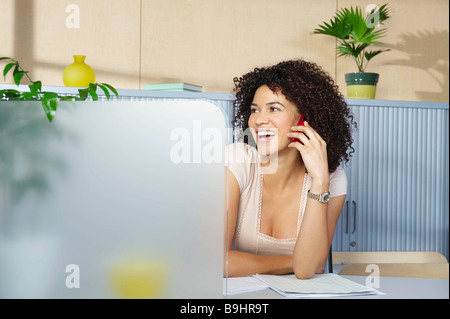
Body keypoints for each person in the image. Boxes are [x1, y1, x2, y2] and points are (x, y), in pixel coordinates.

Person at [224, 59, 356, 279]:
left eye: (274, 109)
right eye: (254, 110)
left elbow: (306, 271)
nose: (258, 120)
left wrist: (320, 180)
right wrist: (292, 262)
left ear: (305, 119)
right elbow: (218, 263)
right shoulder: (237, 160)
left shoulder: (332, 178)